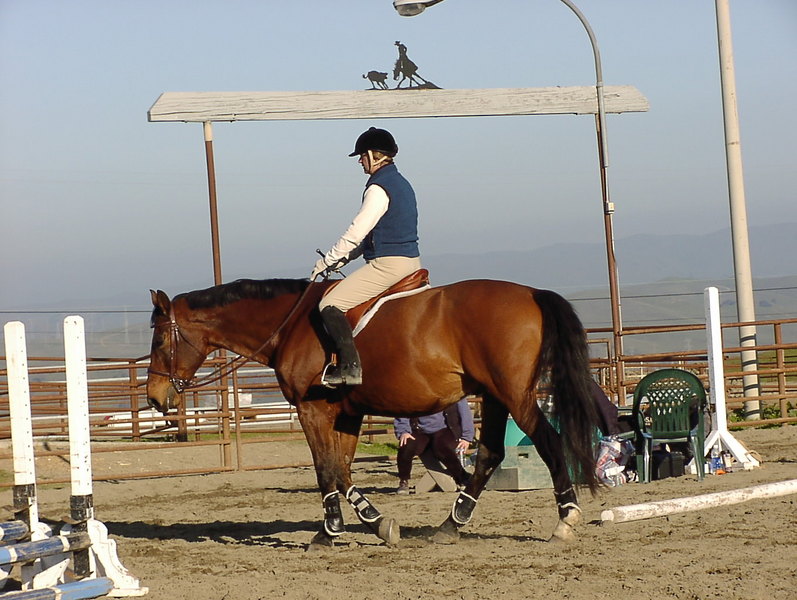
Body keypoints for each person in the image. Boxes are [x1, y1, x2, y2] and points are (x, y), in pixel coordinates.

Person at [310, 127, 421, 387]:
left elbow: (357, 231)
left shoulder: (378, 188)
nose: (360, 161)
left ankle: (350, 368)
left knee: (329, 304)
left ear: (372, 155)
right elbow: (372, 236)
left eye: (361, 156)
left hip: (388, 265)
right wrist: (342, 260)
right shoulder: (401, 183)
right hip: (411, 262)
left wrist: (327, 260)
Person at [393, 398, 475, 495]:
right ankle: (404, 480)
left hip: (446, 429)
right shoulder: (412, 391)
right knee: (406, 446)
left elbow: (464, 411)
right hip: (419, 430)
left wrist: (466, 437)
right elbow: (403, 408)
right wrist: (403, 431)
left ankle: (462, 477)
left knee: (442, 447)